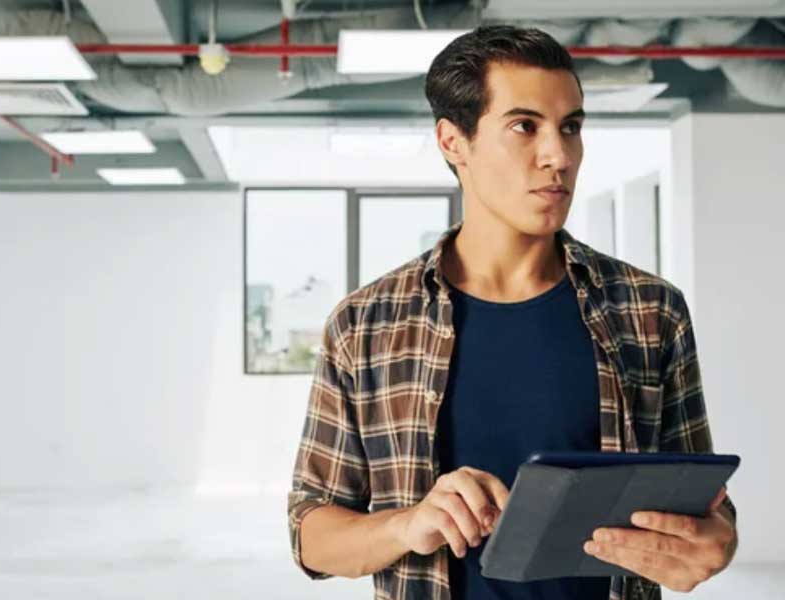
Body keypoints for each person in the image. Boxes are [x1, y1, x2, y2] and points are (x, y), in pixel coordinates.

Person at [287, 25, 738, 600]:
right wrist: (409, 523)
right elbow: (311, 534)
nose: (559, 156)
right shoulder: (366, 324)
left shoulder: (651, 310)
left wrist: (713, 544)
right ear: (454, 142)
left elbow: (709, 509)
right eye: (525, 126)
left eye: (570, 127)